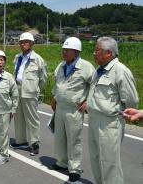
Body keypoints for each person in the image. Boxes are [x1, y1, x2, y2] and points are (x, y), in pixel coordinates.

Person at [86, 36, 138, 184]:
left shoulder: (120, 71)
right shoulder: (100, 70)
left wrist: (120, 113)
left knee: (109, 164)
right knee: (96, 160)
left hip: (110, 123)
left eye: (97, 50)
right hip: (95, 120)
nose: (94, 53)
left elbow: (131, 101)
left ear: (108, 53)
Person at [49, 37, 95, 182]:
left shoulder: (86, 67)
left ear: (76, 51)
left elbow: (95, 85)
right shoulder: (61, 66)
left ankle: (74, 168)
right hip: (60, 107)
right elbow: (57, 84)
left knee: (74, 139)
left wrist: (88, 100)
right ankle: (61, 162)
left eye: (67, 50)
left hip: (74, 109)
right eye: (63, 50)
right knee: (60, 137)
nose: (64, 52)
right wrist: (54, 97)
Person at [10, 32, 47, 156]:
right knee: (18, 116)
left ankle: (34, 143)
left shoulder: (37, 59)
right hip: (17, 88)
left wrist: (36, 90)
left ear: (32, 44)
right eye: (21, 42)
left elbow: (43, 79)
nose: (23, 44)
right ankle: (21, 140)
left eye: (26, 42)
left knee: (32, 119)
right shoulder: (17, 57)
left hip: (30, 91)